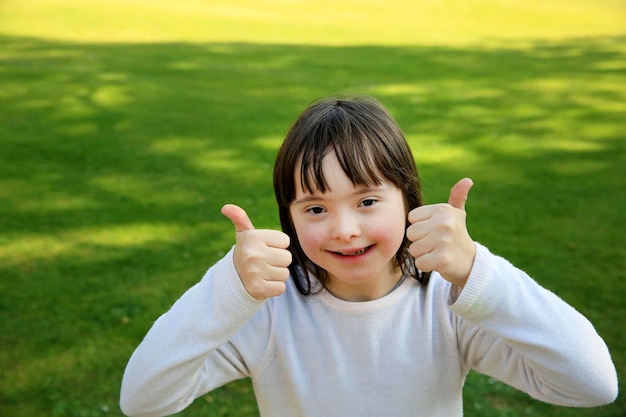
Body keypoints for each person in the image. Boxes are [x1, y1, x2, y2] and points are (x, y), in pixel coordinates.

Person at [120, 96, 618, 417]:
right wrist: (228, 286)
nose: (343, 229)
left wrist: (476, 271)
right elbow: (144, 400)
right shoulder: (269, 311)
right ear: (288, 219)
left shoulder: (447, 299)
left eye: (367, 201)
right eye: (315, 207)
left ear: (410, 201)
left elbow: (591, 383)